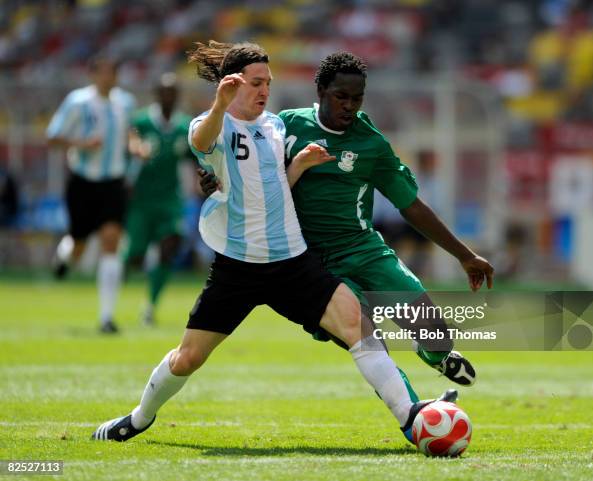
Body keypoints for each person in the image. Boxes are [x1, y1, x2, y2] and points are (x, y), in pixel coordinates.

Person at [92, 41, 456, 444]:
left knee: (357, 325)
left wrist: (297, 165)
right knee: (188, 358)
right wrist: (219, 105)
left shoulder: (277, 126)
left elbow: (274, 188)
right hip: (238, 268)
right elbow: (200, 142)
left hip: (291, 263)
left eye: (268, 82)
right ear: (233, 84)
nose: (265, 90)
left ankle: (411, 418)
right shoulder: (213, 124)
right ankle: (140, 417)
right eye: (256, 83)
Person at [199, 52, 494, 387]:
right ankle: (415, 414)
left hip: (363, 250)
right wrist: (215, 179)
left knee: (437, 334)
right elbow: (248, 172)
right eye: (341, 97)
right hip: (308, 263)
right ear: (321, 91)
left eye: (357, 99)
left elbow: (410, 205)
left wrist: (464, 255)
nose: (349, 106)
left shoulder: (371, 144)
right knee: (366, 337)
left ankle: (435, 355)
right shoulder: (286, 126)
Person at [47, 56, 136, 333]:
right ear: (93, 74)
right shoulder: (78, 102)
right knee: (79, 245)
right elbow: (53, 137)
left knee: (111, 240)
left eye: (113, 72)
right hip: (84, 182)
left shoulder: (126, 102)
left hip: (114, 182)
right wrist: (83, 144)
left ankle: (106, 318)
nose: (109, 77)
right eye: (104, 71)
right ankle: (64, 258)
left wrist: (136, 145)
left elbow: (129, 132)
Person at [125, 73, 194, 325]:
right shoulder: (141, 122)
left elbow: (195, 157)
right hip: (141, 200)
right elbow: (129, 140)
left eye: (173, 92)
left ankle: (150, 306)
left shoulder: (185, 126)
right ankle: (125, 269)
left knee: (170, 245)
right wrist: (133, 148)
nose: (169, 96)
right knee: (135, 257)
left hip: (170, 199)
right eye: (164, 91)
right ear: (157, 95)